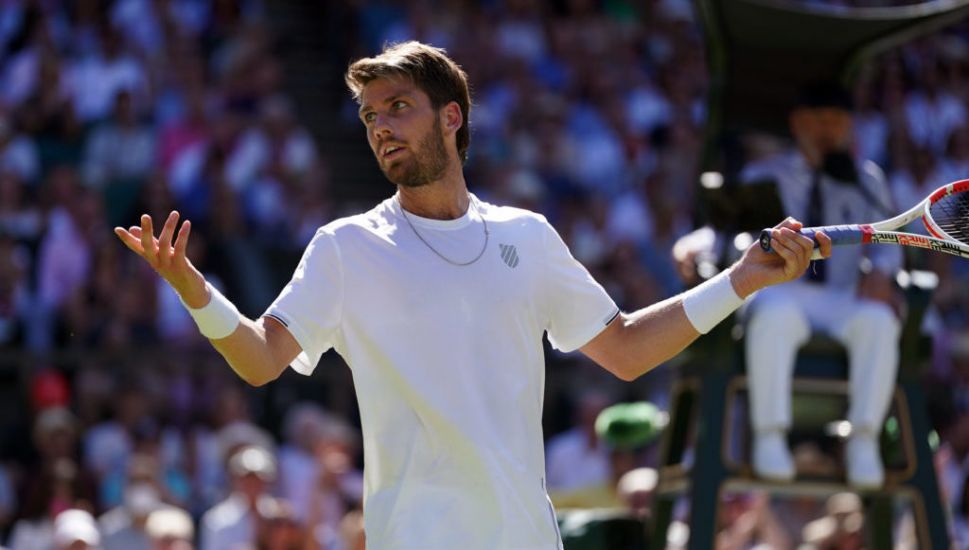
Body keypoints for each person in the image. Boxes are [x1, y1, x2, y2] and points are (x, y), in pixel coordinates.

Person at [114, 41, 828, 549]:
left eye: (397, 106)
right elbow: (261, 360)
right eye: (369, 117)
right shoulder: (344, 246)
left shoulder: (530, 235)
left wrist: (743, 279)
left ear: (451, 117)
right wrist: (192, 286)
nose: (381, 127)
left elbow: (627, 349)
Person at [740, 83, 902, 489]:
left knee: (880, 321)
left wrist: (882, 271)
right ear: (798, 123)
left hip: (844, 295)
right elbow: (737, 240)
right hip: (783, 289)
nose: (829, 130)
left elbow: (888, 244)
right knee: (773, 313)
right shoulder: (763, 175)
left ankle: (864, 441)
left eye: (838, 120)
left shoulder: (867, 179)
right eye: (819, 119)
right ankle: (770, 436)